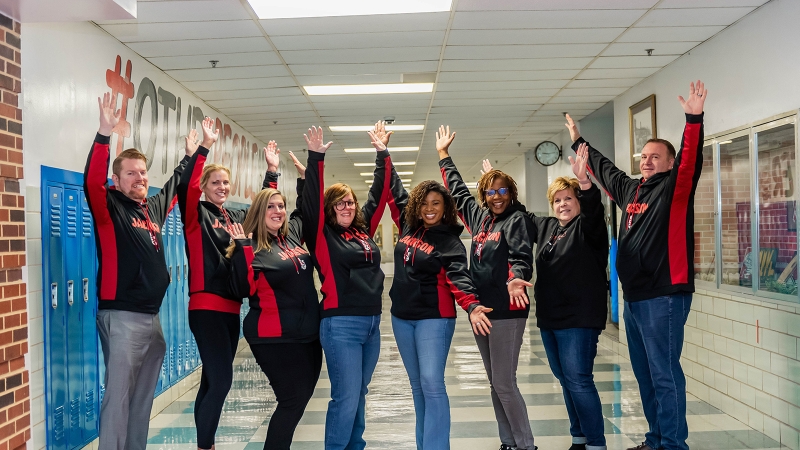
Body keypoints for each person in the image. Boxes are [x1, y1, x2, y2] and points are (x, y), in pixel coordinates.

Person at [565, 80, 707, 450]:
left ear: (670, 163)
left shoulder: (675, 188)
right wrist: (579, 141)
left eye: (655, 157)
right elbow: (606, 169)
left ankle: (673, 445)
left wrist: (693, 119)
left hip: (666, 296)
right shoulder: (631, 191)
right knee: (645, 376)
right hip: (636, 299)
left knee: (664, 375)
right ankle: (655, 439)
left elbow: (692, 158)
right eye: (643, 156)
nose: (646, 161)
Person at [366, 124, 493, 450]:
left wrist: (473, 305)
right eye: (425, 203)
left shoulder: (448, 239)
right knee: (417, 386)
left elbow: (458, 277)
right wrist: (383, 153)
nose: (430, 208)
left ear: (445, 206)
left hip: (434, 318)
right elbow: (393, 188)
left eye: (437, 203)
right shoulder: (408, 224)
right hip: (401, 317)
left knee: (432, 383)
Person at [84, 92, 195, 450]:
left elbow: (177, 185)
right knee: (117, 399)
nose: (139, 178)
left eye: (143, 173)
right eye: (131, 174)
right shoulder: (110, 209)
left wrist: (193, 155)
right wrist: (104, 134)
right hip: (122, 317)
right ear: (117, 180)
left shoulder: (149, 212)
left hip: (152, 318)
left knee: (142, 400)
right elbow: (91, 183)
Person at [486, 143, 609, 450]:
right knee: (567, 381)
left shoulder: (589, 228)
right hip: (551, 319)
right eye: (557, 200)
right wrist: (497, 188)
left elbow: (594, 209)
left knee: (579, 380)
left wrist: (584, 183)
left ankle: (596, 443)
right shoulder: (550, 228)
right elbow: (521, 214)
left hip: (579, 320)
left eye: (569, 198)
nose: (563, 204)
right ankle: (579, 438)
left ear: (578, 200)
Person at [176, 117, 277, 450]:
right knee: (221, 380)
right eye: (215, 182)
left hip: (231, 310)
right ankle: (206, 446)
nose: (221, 187)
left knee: (211, 380)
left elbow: (262, 213)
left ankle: (205, 442)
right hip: (206, 308)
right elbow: (185, 188)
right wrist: (202, 149)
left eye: (225, 183)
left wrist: (271, 173)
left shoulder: (232, 218)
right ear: (203, 186)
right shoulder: (196, 215)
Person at [436, 126, 537, 450]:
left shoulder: (515, 221)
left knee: (505, 383)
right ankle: (508, 442)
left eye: (502, 191)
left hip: (508, 309)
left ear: (511, 193)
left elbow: (521, 256)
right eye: (490, 192)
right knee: (496, 384)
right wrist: (444, 156)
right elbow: (458, 192)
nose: (496, 197)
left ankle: (526, 445)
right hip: (482, 312)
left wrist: (515, 278)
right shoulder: (480, 221)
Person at [300, 124, 390, 450]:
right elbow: (311, 202)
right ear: (330, 209)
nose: (347, 207)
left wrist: (383, 154)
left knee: (360, 394)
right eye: (339, 203)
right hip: (340, 325)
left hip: (372, 324)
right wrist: (316, 160)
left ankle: (356, 446)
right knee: (346, 397)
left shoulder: (364, 232)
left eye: (350, 202)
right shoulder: (324, 237)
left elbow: (380, 196)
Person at [226, 153, 321, 450]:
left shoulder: (290, 237)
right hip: (275, 338)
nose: (278, 211)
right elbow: (241, 287)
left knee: (299, 399)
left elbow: (304, 213)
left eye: (281, 205)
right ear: (259, 210)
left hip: (307, 335)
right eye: (271, 206)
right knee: (291, 401)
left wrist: (305, 180)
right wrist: (242, 248)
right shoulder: (252, 247)